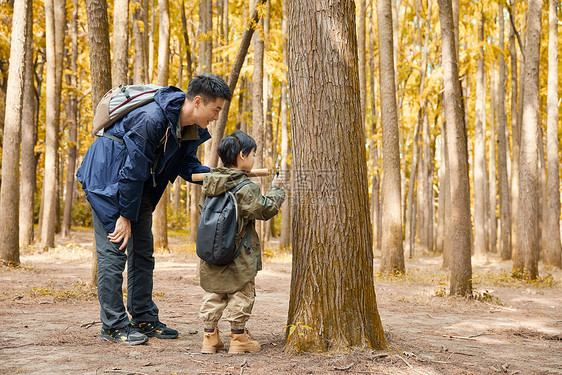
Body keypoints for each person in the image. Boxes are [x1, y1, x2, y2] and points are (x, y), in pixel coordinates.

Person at [76, 74, 231, 345]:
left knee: (143, 254)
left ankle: (143, 317)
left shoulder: (186, 127)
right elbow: (132, 170)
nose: (216, 117)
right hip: (108, 183)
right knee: (114, 255)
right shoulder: (151, 119)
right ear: (197, 102)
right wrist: (124, 216)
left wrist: (218, 176)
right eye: (215, 109)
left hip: (139, 189)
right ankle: (112, 326)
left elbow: (187, 167)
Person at [198, 130, 285, 354]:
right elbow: (265, 209)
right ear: (242, 156)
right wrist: (276, 189)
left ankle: (210, 337)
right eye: (253, 153)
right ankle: (238, 339)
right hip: (239, 252)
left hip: (211, 251)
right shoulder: (246, 188)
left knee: (214, 293)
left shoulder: (209, 184)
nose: (254, 158)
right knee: (241, 292)